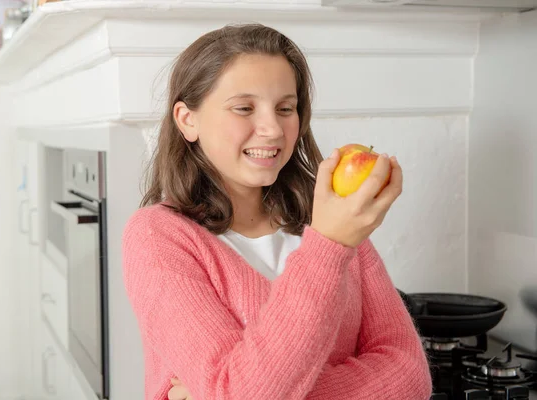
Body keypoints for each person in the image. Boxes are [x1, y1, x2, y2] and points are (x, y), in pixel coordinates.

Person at [122, 23, 433, 400]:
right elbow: (240, 394)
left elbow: (410, 377)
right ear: (188, 120)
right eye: (244, 108)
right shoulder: (159, 236)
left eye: (286, 108)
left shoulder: (328, 219)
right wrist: (330, 246)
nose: (272, 129)